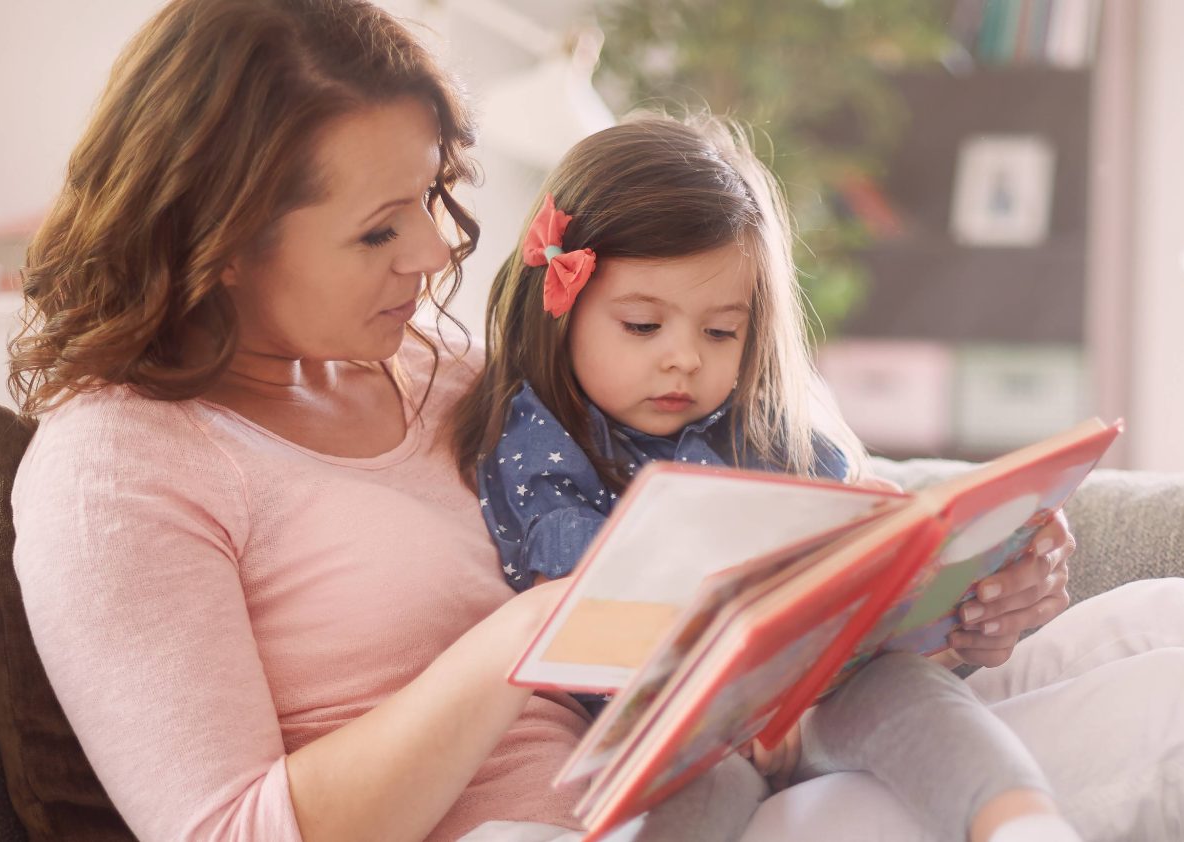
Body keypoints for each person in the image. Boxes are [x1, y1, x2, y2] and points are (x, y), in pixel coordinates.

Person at [6, 1, 1184, 840]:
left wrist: (946, 566)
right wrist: (530, 630)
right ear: (216, 230)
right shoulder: (119, 465)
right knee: (1093, 746)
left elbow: (742, 470)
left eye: (434, 203)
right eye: (377, 231)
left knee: (1173, 629)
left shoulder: (434, 363)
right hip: (623, 819)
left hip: (732, 745)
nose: (438, 254)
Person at [457, 114, 1082, 842]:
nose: (685, 359)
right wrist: (735, 708)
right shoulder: (541, 446)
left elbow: (858, 590)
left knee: (907, 690)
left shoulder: (763, 428)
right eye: (642, 326)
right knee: (701, 784)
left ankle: (1020, 823)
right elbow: (595, 620)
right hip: (682, 737)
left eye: (720, 331)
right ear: (559, 309)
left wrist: (936, 577)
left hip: (819, 702)